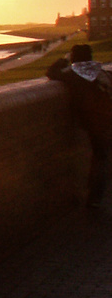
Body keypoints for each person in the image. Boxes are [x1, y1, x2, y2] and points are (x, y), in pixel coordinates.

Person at [47, 43, 112, 211]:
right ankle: (95, 195)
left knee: (99, 157)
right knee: (101, 156)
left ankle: (93, 197)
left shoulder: (73, 74)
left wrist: (64, 59)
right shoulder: (101, 71)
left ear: (74, 57)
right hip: (107, 118)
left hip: (92, 120)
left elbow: (51, 73)